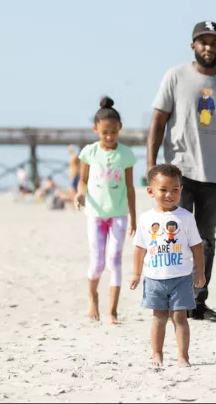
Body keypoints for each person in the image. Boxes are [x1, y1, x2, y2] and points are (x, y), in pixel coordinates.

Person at [146, 20, 216, 322]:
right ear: (193, 45)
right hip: (178, 173)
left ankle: (197, 301)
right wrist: (151, 166)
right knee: (175, 235)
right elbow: (158, 121)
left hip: (215, 174)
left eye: (215, 42)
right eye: (203, 42)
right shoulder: (176, 76)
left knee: (205, 238)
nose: (209, 47)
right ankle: (173, 298)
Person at [130, 164, 205, 368]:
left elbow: (197, 247)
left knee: (180, 317)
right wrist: (136, 274)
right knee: (159, 318)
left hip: (181, 277)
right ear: (151, 191)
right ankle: (157, 354)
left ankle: (183, 356)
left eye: (174, 189)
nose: (169, 194)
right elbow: (139, 248)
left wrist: (200, 272)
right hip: (155, 278)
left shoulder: (186, 217)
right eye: (163, 190)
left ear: (181, 189)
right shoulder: (146, 218)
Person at [74, 96, 137, 324]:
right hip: (95, 214)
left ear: (120, 128)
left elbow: (130, 188)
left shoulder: (126, 155)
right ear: (95, 130)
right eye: (104, 133)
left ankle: (112, 311)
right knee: (97, 261)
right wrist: (80, 194)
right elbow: (82, 180)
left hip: (119, 214)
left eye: (113, 132)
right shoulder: (89, 153)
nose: (109, 137)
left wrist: (134, 218)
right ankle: (93, 298)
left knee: (115, 260)